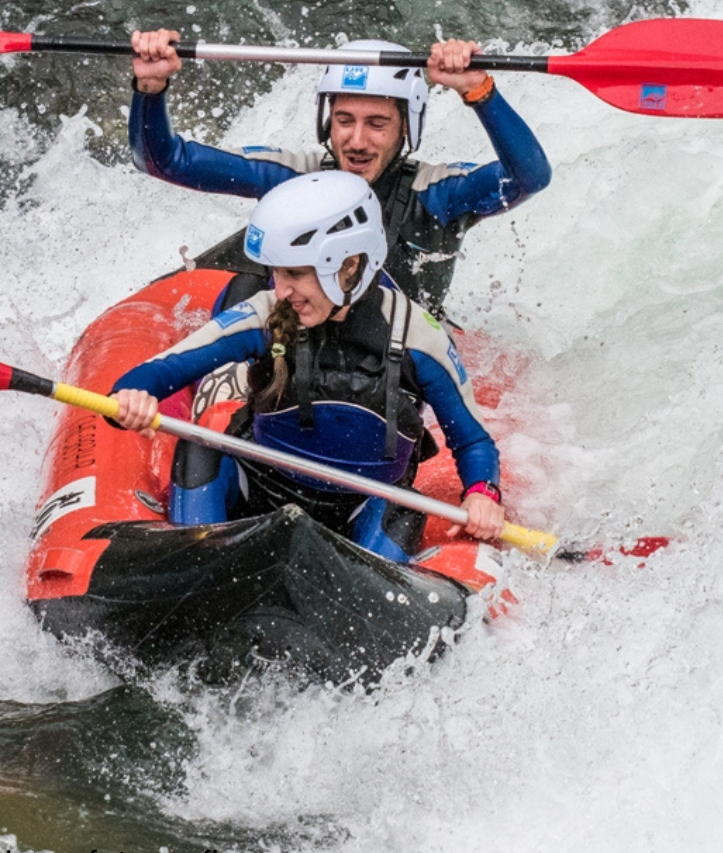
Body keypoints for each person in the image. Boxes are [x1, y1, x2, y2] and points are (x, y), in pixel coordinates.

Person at [111, 171, 505, 562]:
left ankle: (371, 582)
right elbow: (163, 370)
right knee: (199, 451)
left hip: (359, 512)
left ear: (349, 265)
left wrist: (482, 493)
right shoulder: (266, 314)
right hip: (259, 490)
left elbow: (472, 441)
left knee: (404, 509)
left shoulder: (417, 336)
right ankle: (197, 563)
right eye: (277, 272)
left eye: (295, 273)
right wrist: (133, 395)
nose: (281, 289)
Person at [129, 28, 551, 317]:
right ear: (327, 120)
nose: (357, 141)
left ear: (407, 127)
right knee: (243, 285)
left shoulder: (438, 195)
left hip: (390, 365)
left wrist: (479, 91)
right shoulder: (294, 176)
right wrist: (151, 88)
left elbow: (530, 177)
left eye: (377, 124)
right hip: (297, 347)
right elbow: (164, 161)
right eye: (345, 120)